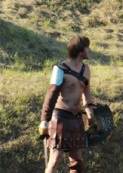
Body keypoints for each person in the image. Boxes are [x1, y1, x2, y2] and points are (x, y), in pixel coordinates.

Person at [39, 35, 99, 173]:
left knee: (77, 161)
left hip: (76, 119)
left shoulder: (86, 70)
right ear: (80, 50)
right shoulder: (60, 69)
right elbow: (51, 94)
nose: (89, 50)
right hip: (60, 118)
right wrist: (44, 120)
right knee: (54, 159)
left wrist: (91, 118)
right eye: (87, 47)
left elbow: (87, 95)